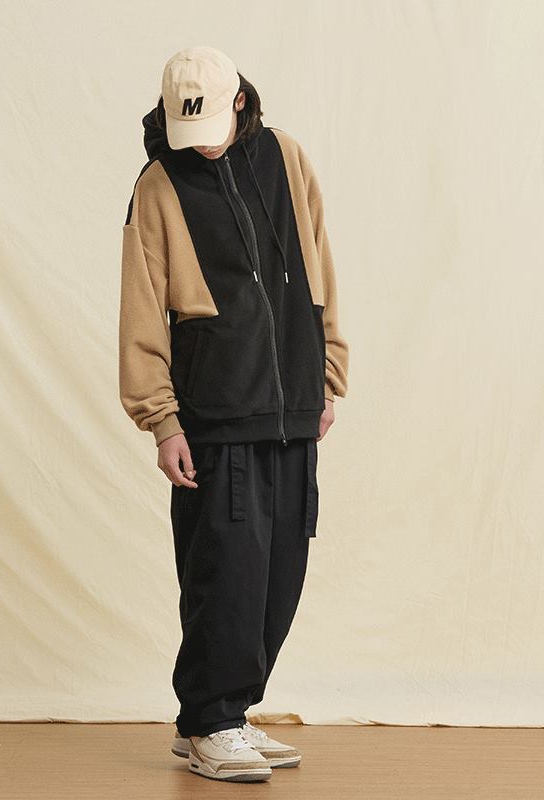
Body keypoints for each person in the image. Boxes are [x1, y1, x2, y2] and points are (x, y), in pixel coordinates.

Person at [118, 45, 350, 783]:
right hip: (214, 412)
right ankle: (212, 718)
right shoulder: (158, 185)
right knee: (227, 576)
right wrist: (163, 421)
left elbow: (318, 263)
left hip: (292, 404)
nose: (203, 143)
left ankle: (219, 716)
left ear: (241, 103)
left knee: (280, 574)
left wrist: (327, 377)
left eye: (213, 125)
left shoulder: (286, 158)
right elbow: (141, 310)